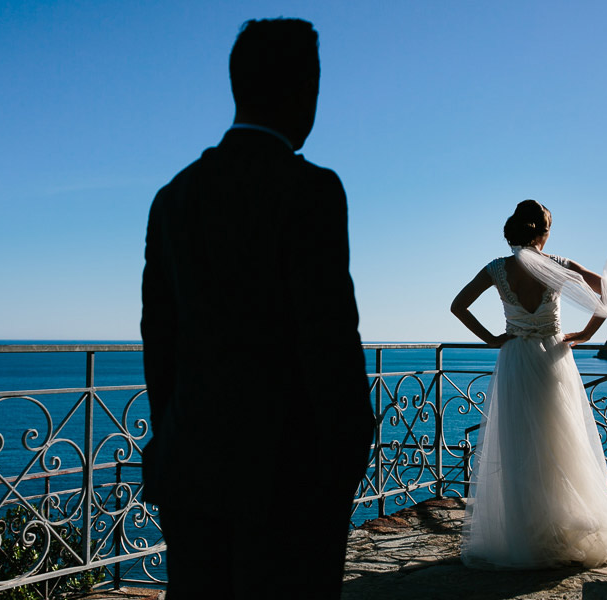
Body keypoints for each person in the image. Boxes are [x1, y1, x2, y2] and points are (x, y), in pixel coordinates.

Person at [141, 18, 375, 599]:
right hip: (291, 478)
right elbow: (329, 338)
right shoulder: (313, 191)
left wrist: (177, 433)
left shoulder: (173, 197)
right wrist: (349, 448)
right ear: (303, 89)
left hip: (192, 469)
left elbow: (159, 341)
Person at [451, 199, 607, 569]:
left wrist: (490, 338)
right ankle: (562, 529)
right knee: (562, 442)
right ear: (544, 232)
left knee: (520, 447)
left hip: (516, 357)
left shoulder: (497, 269)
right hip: (554, 359)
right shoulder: (560, 265)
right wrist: (585, 332)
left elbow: (458, 306)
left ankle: (526, 535)